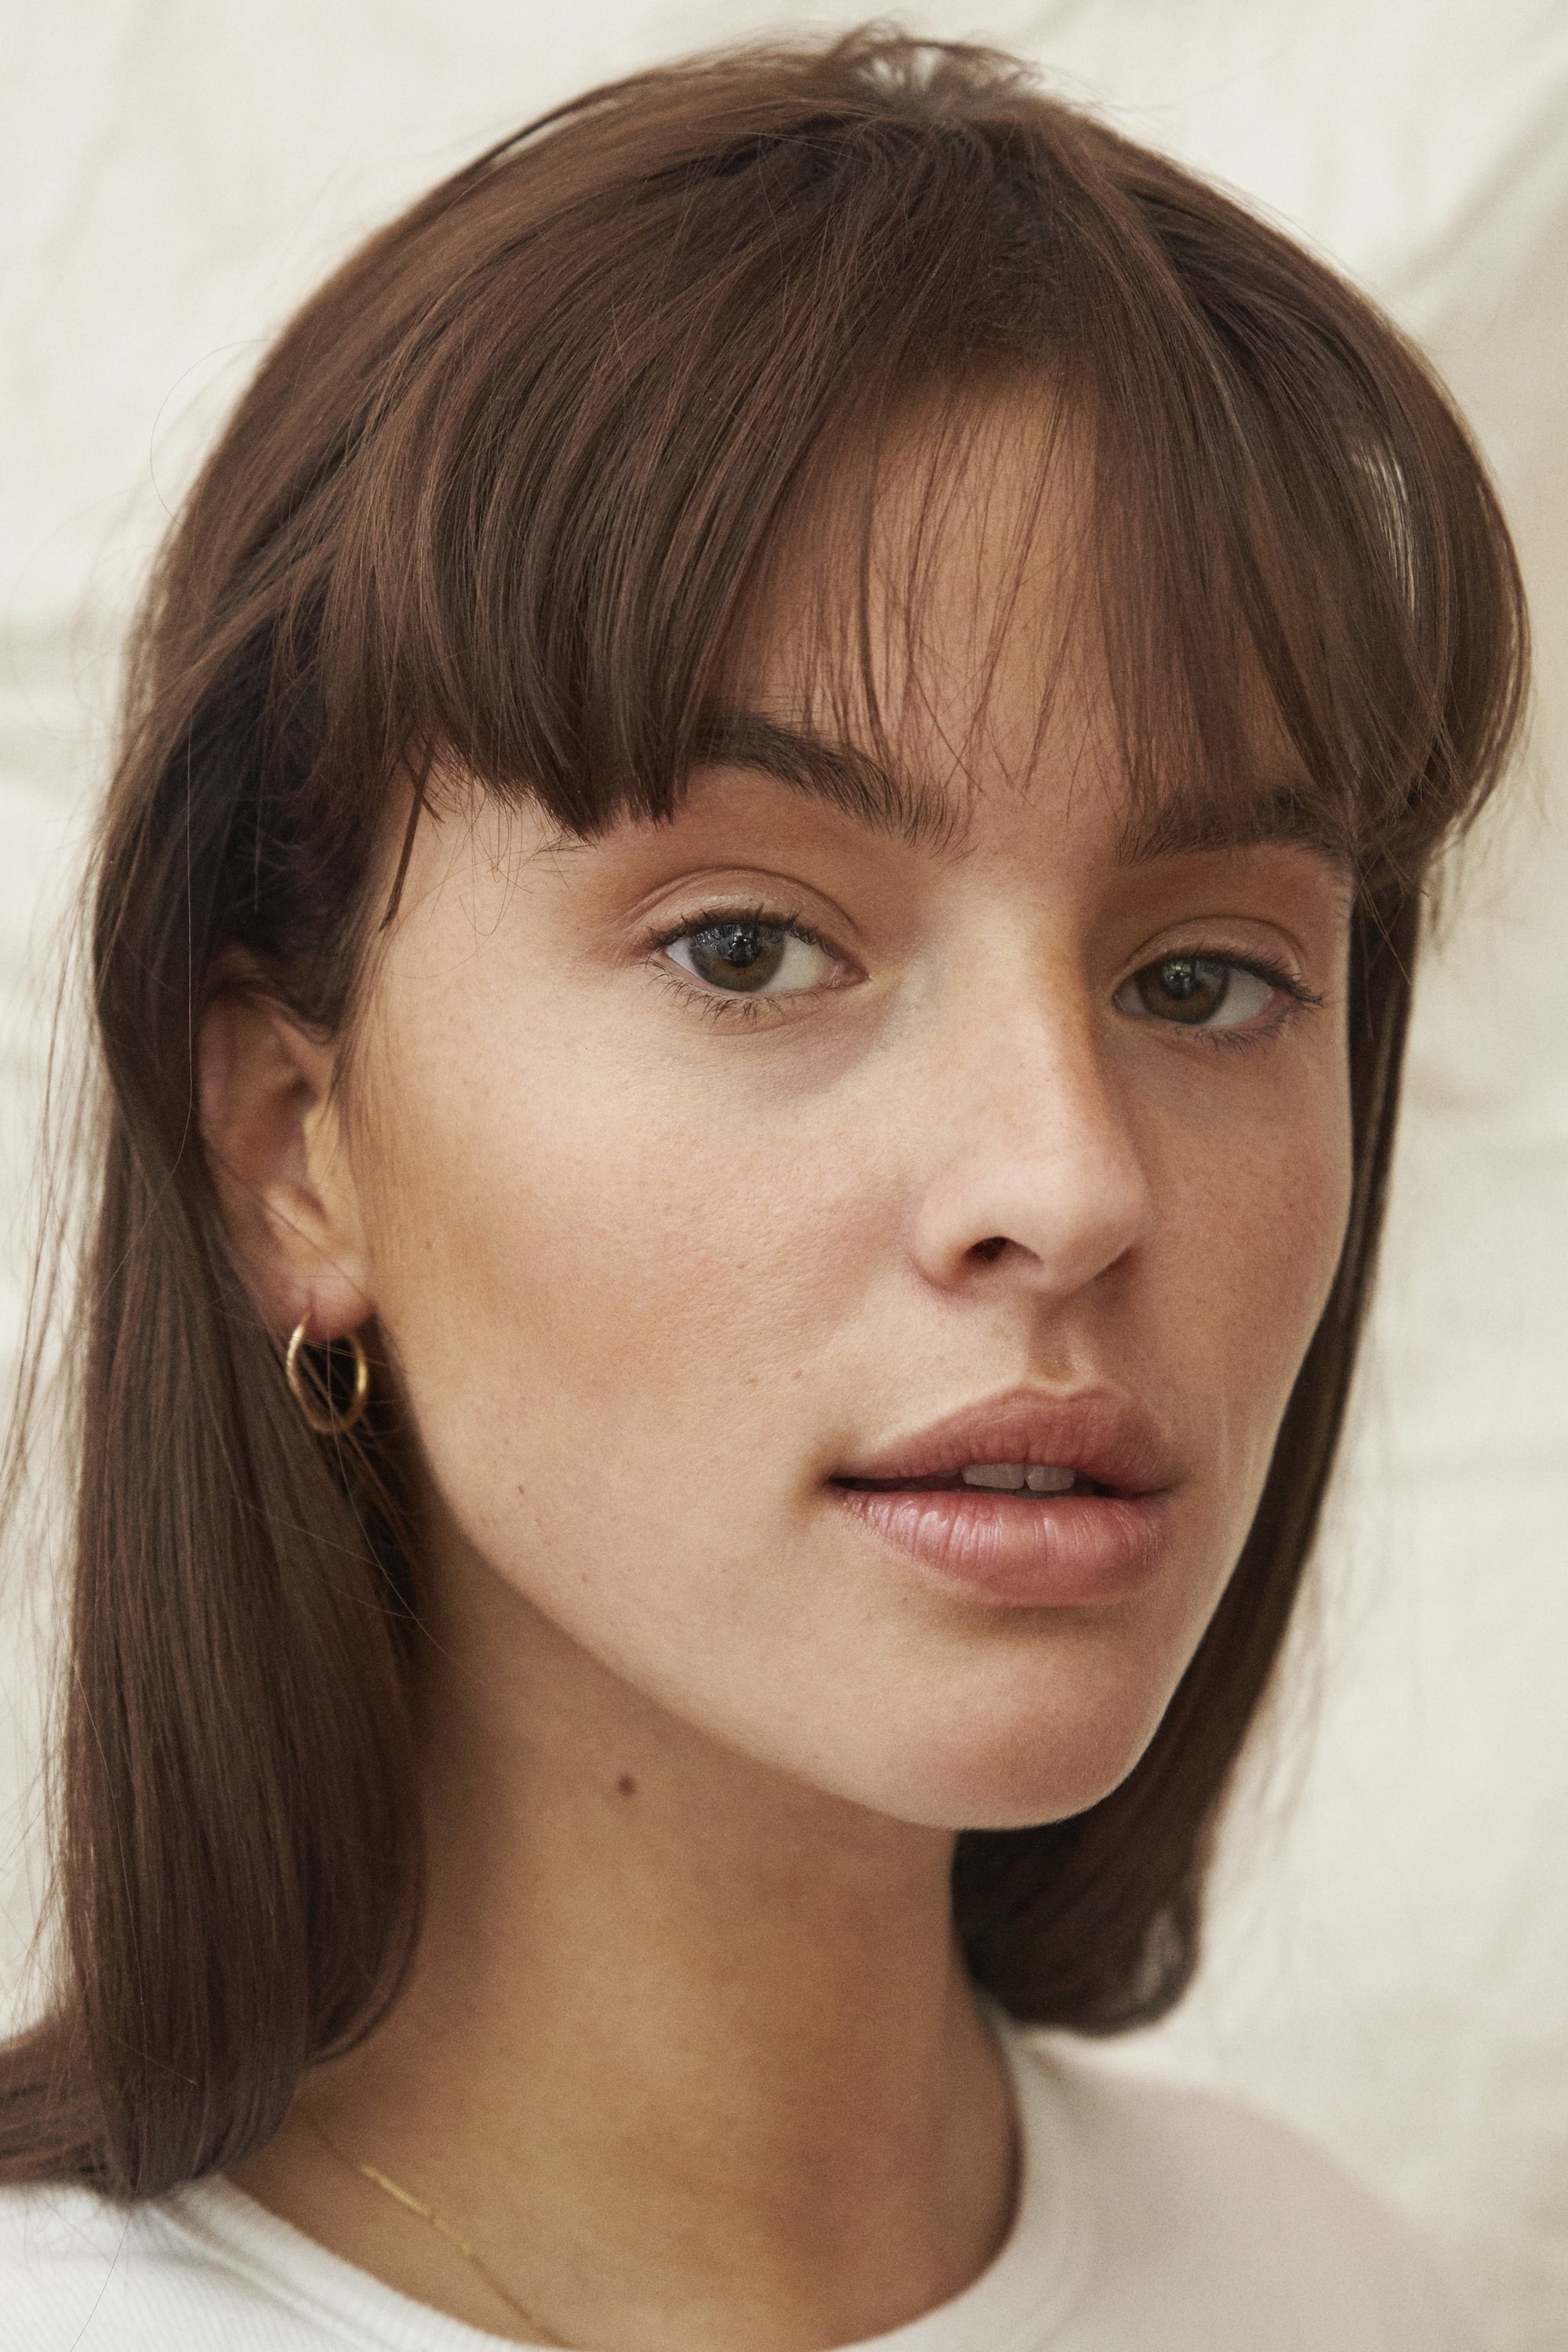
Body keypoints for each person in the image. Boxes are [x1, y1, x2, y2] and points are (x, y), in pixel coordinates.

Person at [0, 27, 1526, 2350]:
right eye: (749, 948)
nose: (1069, 1181)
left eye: (1205, 979)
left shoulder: (1336, 2298)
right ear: (294, 1145)